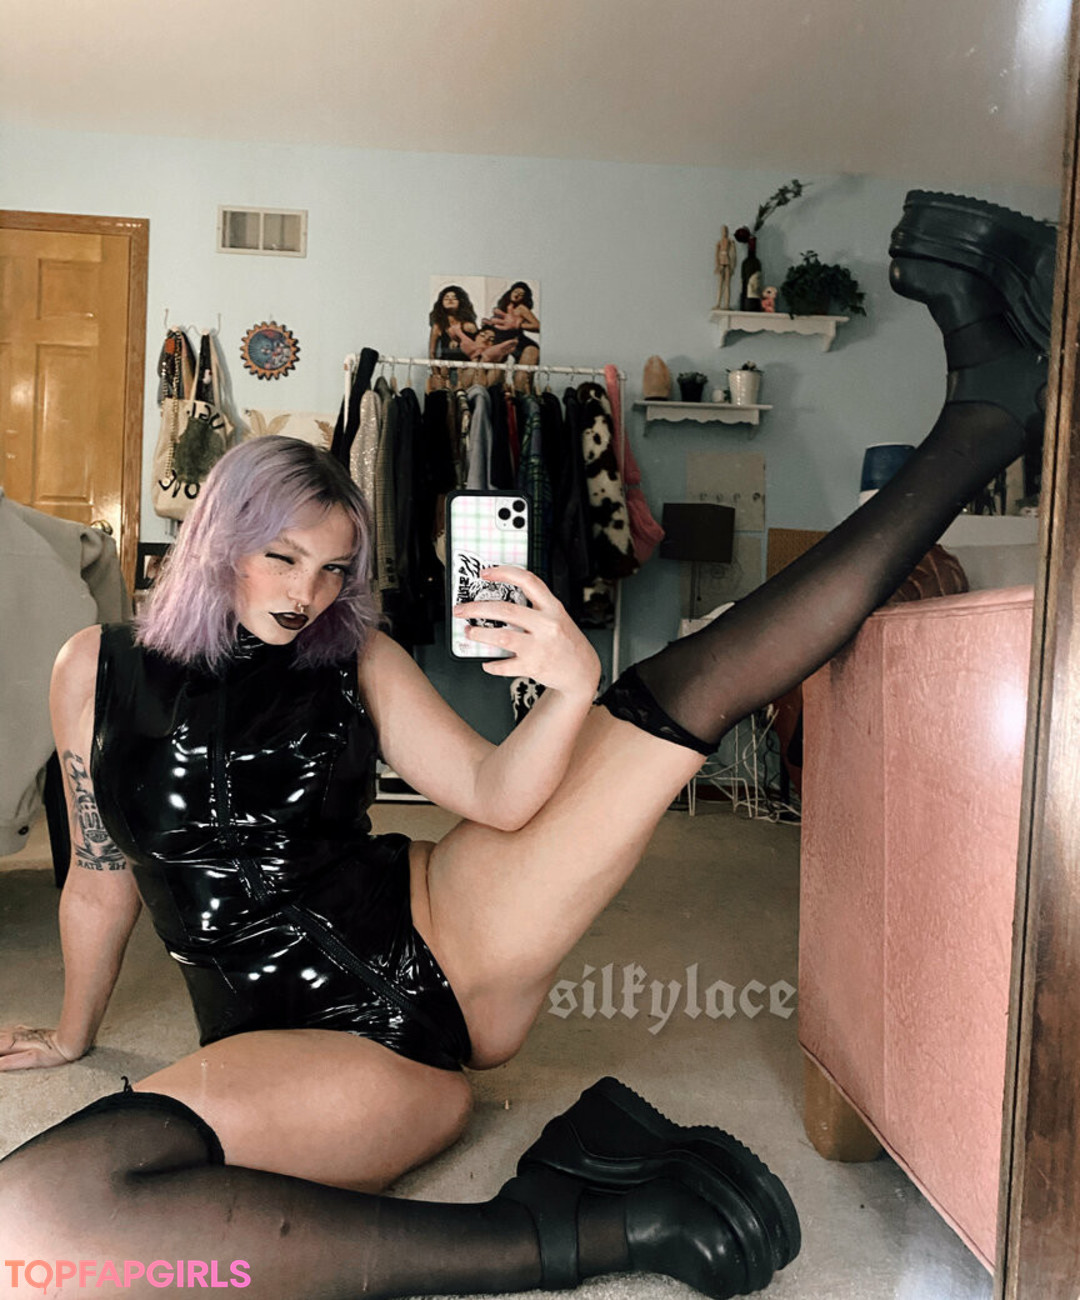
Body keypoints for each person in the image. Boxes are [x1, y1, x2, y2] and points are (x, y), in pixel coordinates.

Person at [0, 190, 1057, 1300]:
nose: (308, 593)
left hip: (440, 926)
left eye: (333, 569)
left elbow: (497, 797)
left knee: (669, 698)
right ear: (221, 539)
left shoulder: (357, 655)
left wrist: (571, 688)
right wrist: (75, 1034)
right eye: (284, 559)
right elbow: (99, 881)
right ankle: (580, 1224)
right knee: (37, 1221)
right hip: (328, 1054)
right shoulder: (93, 669)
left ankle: (986, 412)